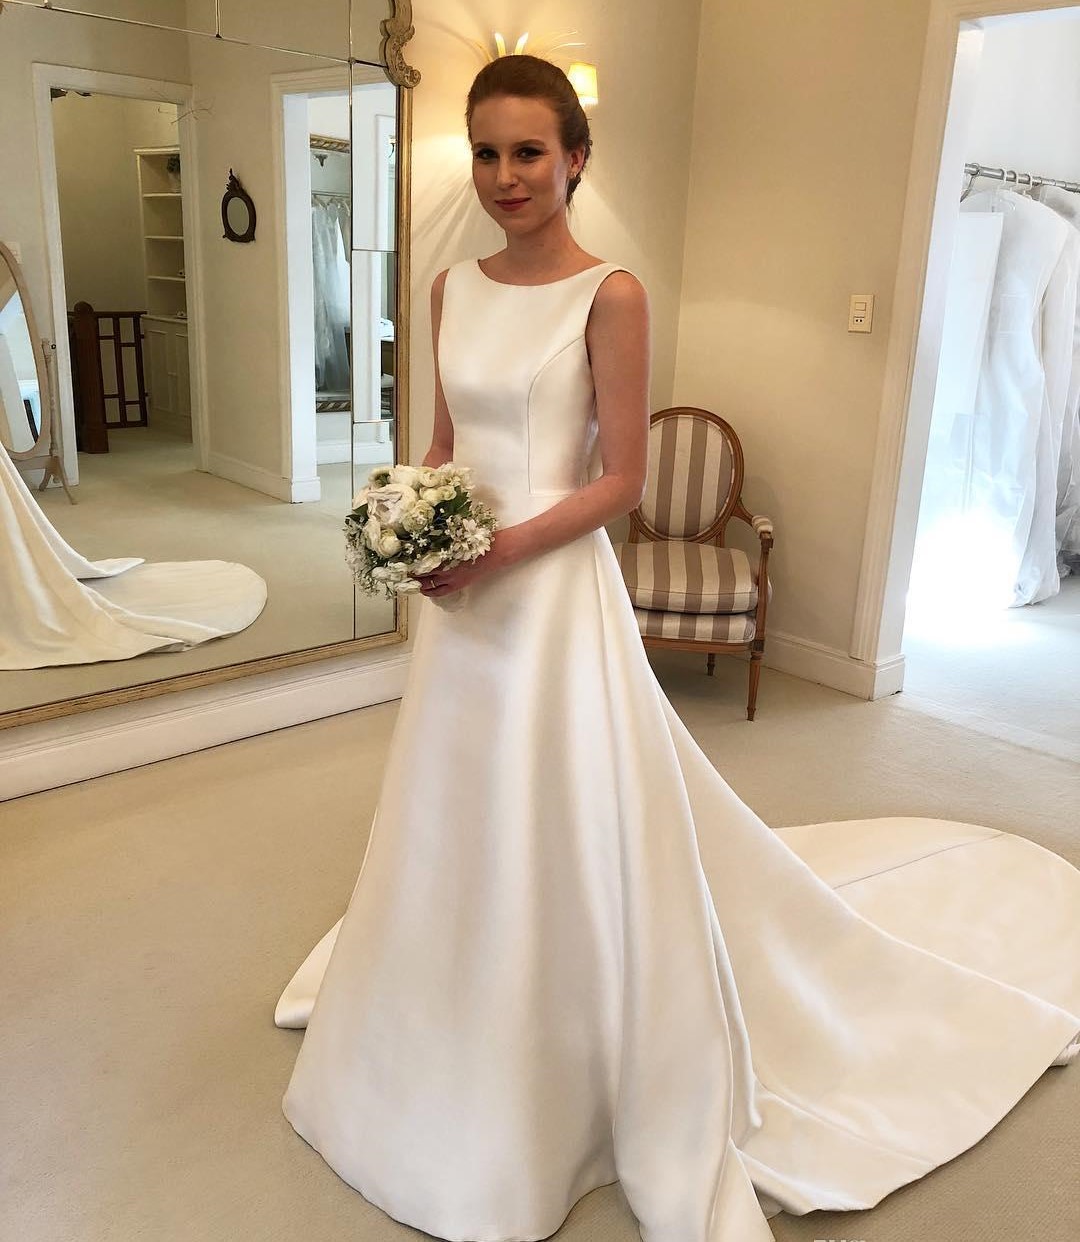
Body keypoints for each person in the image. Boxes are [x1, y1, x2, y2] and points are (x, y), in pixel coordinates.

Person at [275, 54, 1080, 1242]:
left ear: (576, 159)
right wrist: (410, 525)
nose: (505, 175)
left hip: (547, 592)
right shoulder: (448, 289)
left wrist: (496, 550)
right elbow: (441, 442)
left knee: (561, 806)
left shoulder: (611, 294)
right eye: (487, 152)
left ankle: (558, 1045)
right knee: (454, 803)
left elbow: (620, 482)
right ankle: (440, 1007)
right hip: (462, 604)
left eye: (529, 152)